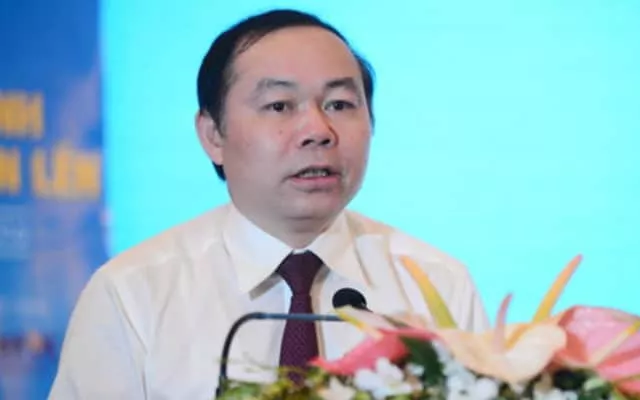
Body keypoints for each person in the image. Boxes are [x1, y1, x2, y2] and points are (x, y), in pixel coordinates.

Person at [48, 8, 489, 400]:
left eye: (340, 104)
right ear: (213, 135)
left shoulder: (437, 287)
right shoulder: (133, 294)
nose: (318, 130)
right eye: (279, 106)